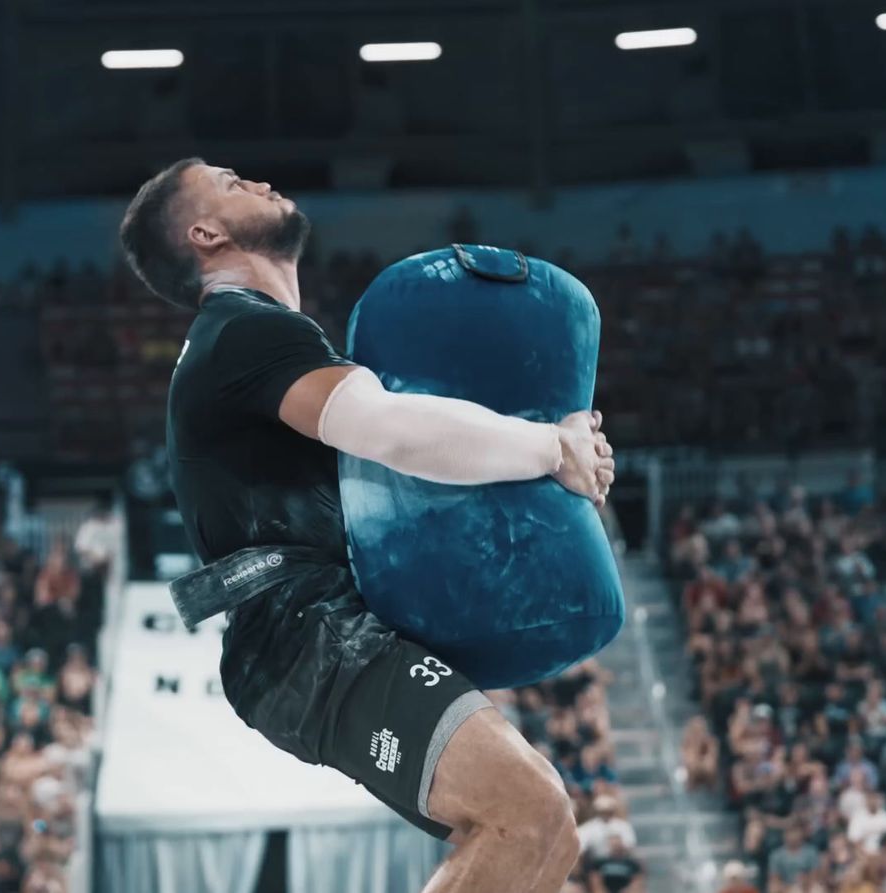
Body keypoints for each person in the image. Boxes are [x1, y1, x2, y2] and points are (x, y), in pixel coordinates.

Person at [119, 158, 615, 893]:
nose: (256, 180)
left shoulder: (259, 338)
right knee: (529, 814)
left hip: (318, 628)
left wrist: (555, 442)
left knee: (550, 837)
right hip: (304, 632)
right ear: (206, 232)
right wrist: (548, 447)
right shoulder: (242, 333)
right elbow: (388, 430)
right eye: (230, 181)